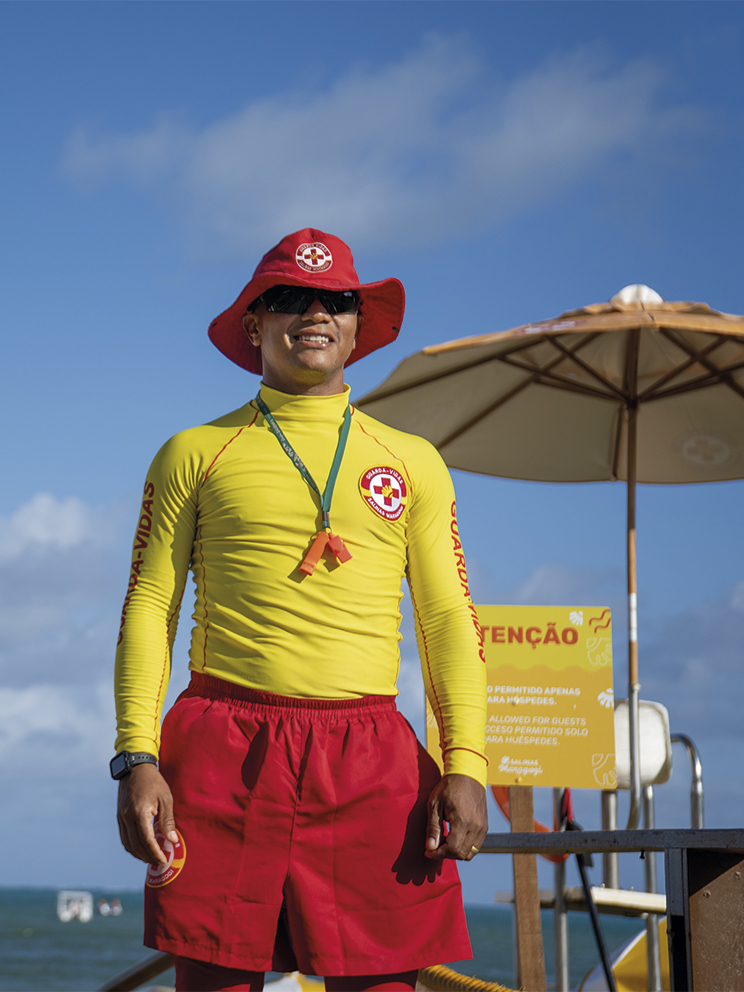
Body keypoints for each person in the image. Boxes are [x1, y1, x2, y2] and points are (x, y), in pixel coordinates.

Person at [112, 229, 488, 992]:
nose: (314, 313)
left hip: (369, 752)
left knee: (381, 982)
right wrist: (136, 757)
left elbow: (447, 617)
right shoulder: (194, 451)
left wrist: (468, 763)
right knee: (214, 979)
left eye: (337, 300)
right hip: (225, 744)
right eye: (288, 298)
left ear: (357, 323)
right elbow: (151, 604)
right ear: (254, 324)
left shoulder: (412, 460)